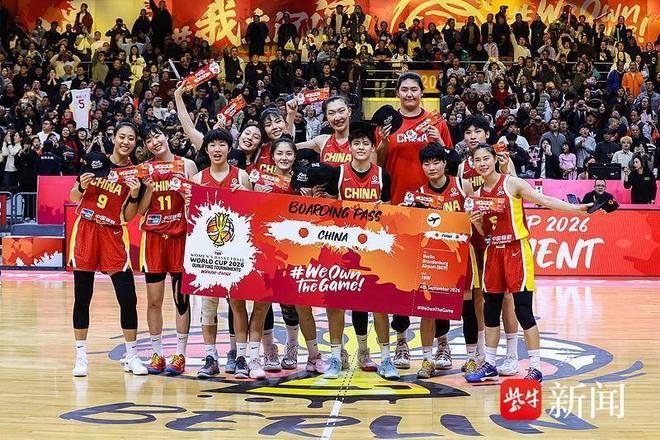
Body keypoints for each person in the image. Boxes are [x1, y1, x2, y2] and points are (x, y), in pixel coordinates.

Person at [465, 144, 591, 383]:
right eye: (477, 160)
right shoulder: (477, 196)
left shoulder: (511, 183)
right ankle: (490, 364)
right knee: (491, 311)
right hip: (492, 253)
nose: (482, 164)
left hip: (516, 250)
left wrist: (576, 209)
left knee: (523, 310)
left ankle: (535, 367)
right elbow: (484, 232)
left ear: (495, 159)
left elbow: (544, 199)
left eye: (486, 158)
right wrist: (477, 223)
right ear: (472, 164)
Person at [375, 72, 453, 370]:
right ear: (397, 93)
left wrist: (439, 142)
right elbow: (379, 164)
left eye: (414, 89)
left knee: (438, 278)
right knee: (401, 281)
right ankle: (402, 341)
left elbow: (451, 161)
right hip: (399, 209)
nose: (409, 94)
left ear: (422, 93)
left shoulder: (436, 122)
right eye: (404, 89)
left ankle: (442, 343)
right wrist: (383, 142)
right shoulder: (388, 123)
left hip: (435, 209)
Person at [68, 121, 146, 377]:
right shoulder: (95, 162)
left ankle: (132, 355)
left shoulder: (134, 174)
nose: (126, 142)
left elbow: (129, 216)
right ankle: (81, 357)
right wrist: (82, 185)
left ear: (135, 143)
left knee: (128, 298)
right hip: (87, 229)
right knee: (82, 297)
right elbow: (73, 197)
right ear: (114, 138)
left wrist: (134, 195)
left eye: (131, 138)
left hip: (113, 233)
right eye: (122, 136)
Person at [324, 122, 398, 380]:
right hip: (343, 247)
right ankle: (335, 357)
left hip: (374, 248)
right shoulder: (338, 173)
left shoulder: (382, 175)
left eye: (366, 143)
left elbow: (390, 212)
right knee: (337, 303)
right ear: (350, 148)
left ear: (373, 147)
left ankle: (386, 359)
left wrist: (382, 211)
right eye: (356, 143)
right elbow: (328, 210)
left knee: (379, 304)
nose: (361, 147)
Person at [456, 115, 520, 376]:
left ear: (487, 134)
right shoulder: (462, 167)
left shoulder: (501, 159)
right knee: (480, 296)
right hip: (476, 238)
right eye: (468, 132)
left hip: (502, 238)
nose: (472, 136)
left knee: (507, 296)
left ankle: (512, 354)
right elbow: (465, 204)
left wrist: (506, 167)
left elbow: (516, 193)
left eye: (478, 131)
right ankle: (482, 353)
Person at [412, 143, 480, 379]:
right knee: (428, 308)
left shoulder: (462, 185)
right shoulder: (419, 194)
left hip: (461, 254)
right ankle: (427, 360)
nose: (431, 167)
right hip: (433, 256)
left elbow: (477, 218)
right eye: (426, 163)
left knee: (467, 307)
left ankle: (472, 359)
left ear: (444, 163)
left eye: (436, 162)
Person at [189, 128, 251, 378]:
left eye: (222, 145)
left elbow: (251, 215)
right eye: (212, 145)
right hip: (207, 251)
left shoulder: (242, 176)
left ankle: (241, 355)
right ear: (206, 149)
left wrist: (245, 195)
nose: (217, 149)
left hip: (234, 251)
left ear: (229, 148)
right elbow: (192, 219)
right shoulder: (197, 179)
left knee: (237, 304)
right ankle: (210, 356)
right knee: (208, 306)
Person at [137, 124, 198, 376]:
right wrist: (149, 189)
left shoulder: (187, 165)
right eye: (149, 140)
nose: (155, 142)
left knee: (181, 300)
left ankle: (180, 355)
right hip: (154, 238)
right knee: (154, 301)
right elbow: (140, 211)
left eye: (157, 136)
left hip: (181, 238)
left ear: (166, 136)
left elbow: (197, 205)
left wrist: (187, 198)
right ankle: (157, 354)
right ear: (146, 146)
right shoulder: (145, 169)